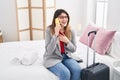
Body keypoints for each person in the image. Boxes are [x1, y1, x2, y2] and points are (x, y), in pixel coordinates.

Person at [43, 9, 81, 80]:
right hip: (53, 57)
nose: (64, 19)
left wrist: (67, 41)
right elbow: (49, 51)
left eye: (66, 17)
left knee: (77, 70)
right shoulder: (49, 30)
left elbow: (74, 49)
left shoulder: (71, 30)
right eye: (61, 17)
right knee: (65, 73)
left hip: (66, 56)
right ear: (56, 19)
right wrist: (56, 34)